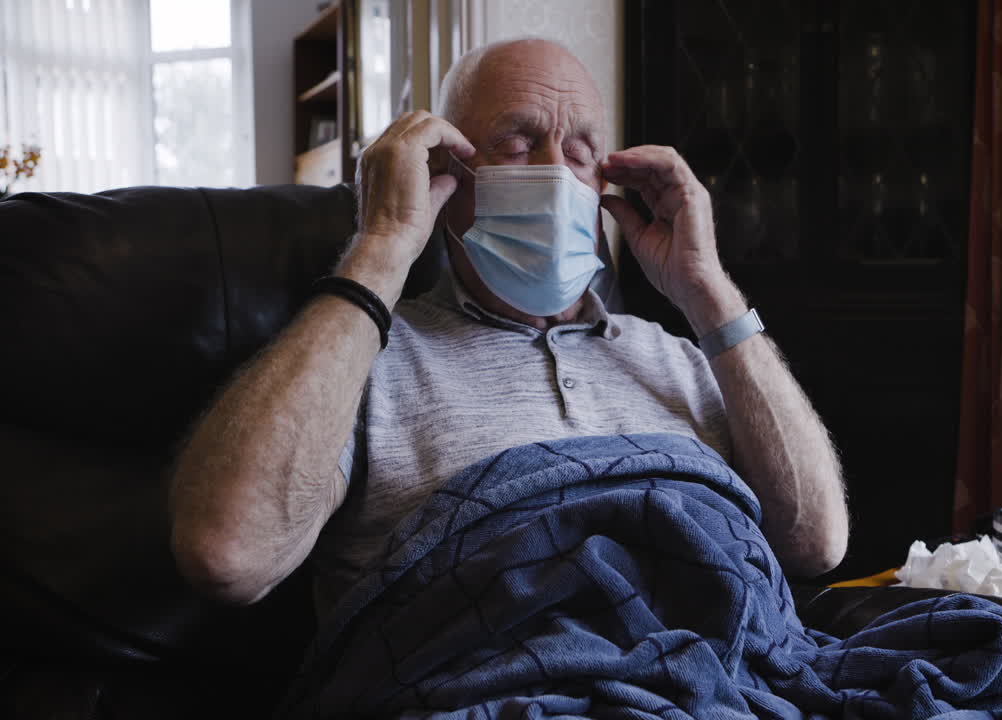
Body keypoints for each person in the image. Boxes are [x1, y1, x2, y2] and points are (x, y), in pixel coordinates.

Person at [168, 37, 847, 617]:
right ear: (445, 174)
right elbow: (227, 554)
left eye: (581, 152)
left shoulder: (682, 355)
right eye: (517, 144)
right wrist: (381, 247)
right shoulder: (363, 363)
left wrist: (709, 293)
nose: (555, 170)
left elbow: (817, 543)